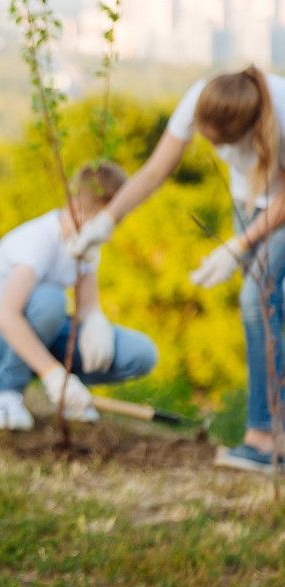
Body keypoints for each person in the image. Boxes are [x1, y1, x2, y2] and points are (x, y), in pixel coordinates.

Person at [69, 66, 285, 473]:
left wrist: (239, 245)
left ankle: (266, 439)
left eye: (221, 143)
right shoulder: (203, 98)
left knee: (257, 301)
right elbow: (155, 171)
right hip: (253, 201)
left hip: (279, 205)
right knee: (271, 311)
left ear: (251, 129)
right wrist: (107, 220)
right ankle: (273, 436)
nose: (211, 146)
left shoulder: (283, 113)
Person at [0, 162, 158, 430]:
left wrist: (95, 323)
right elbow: (6, 318)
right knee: (51, 301)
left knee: (141, 353)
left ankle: (71, 398)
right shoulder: (39, 241)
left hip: (45, 333)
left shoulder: (87, 243)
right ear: (82, 209)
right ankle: (4, 392)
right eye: (110, 217)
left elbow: (89, 306)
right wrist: (54, 375)